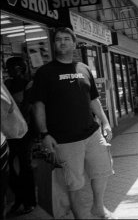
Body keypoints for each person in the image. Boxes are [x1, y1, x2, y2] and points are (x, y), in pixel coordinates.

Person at [31, 27, 115, 219]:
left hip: (92, 133)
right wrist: (45, 134)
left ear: (74, 43)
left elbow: (94, 99)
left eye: (67, 39)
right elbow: (39, 106)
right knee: (75, 183)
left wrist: (105, 122)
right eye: (59, 39)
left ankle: (99, 207)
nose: (62, 42)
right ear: (54, 44)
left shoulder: (83, 68)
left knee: (102, 171)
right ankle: (80, 217)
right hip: (65, 139)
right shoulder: (45, 73)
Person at [4, 57, 37, 215]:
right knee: (8, 168)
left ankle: (30, 201)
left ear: (20, 68)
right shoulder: (7, 84)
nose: (9, 71)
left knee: (25, 166)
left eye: (13, 68)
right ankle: (19, 198)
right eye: (8, 68)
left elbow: (26, 108)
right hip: (9, 131)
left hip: (26, 131)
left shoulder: (29, 83)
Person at [1, 77, 28, 220]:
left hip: (16, 132)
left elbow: (10, 105)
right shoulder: (9, 83)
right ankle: (23, 201)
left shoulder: (16, 83)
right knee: (20, 168)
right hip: (14, 132)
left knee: (22, 168)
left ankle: (25, 201)